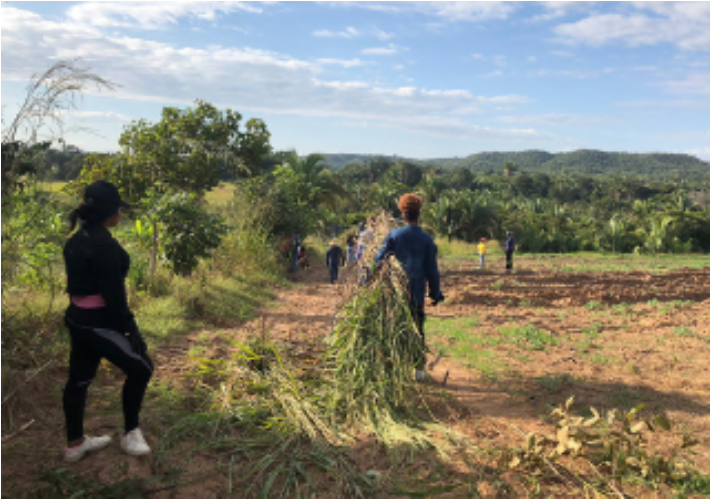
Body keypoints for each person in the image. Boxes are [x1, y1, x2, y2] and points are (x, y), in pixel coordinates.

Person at [62, 180, 153, 463]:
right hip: (97, 322)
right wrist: (131, 330)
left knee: (79, 379)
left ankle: (75, 444)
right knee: (142, 369)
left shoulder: (79, 238)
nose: (121, 214)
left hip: (78, 318)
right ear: (110, 212)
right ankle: (130, 433)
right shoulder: (102, 245)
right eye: (119, 209)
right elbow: (114, 298)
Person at [375, 194, 444, 382]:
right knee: (416, 330)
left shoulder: (395, 236)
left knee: (393, 328)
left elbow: (378, 260)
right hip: (417, 295)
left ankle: (391, 368)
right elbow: (432, 270)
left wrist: (369, 280)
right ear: (418, 215)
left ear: (403, 216)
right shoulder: (427, 240)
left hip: (395, 294)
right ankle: (418, 371)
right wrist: (436, 293)